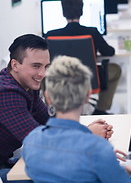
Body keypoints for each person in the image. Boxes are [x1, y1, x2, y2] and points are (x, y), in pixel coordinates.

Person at [0, 34, 113, 183]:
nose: (43, 74)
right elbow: (39, 142)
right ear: (15, 65)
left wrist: (83, 129)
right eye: (36, 66)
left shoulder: (26, 84)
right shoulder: (7, 93)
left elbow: (49, 120)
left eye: (46, 66)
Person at [22, 55, 131, 182]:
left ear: (48, 97)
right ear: (87, 96)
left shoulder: (31, 142)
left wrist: (104, 160)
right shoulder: (98, 149)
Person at [45, 0, 121, 113]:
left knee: (45, 73)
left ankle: (51, 110)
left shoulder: (50, 35)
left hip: (60, 79)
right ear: (81, 12)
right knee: (116, 70)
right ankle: (101, 109)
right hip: (88, 79)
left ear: (63, 13)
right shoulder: (92, 32)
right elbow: (109, 52)